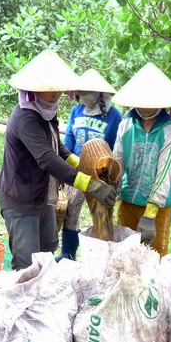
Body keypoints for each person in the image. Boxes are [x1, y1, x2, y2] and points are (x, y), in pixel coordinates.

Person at [0, 50, 118, 270]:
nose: (54, 94)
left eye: (57, 89)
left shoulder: (47, 112)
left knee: (46, 252)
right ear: (32, 89)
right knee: (27, 264)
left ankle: (44, 298)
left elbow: (58, 147)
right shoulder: (27, 116)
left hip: (42, 195)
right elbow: (47, 159)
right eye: (47, 90)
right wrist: (89, 185)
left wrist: (83, 165)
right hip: (21, 199)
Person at [112, 63, 171, 256]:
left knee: (153, 257)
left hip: (158, 206)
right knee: (124, 254)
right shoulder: (126, 124)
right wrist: (111, 188)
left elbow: (166, 170)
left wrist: (151, 212)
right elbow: (117, 162)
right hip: (128, 200)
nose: (145, 106)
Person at [58, 69, 122, 260]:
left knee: (101, 215)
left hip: (102, 174)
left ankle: (104, 256)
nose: (81, 96)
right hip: (78, 170)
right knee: (71, 211)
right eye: (80, 92)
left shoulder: (114, 116)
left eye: (86, 92)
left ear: (99, 94)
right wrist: (67, 168)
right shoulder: (76, 111)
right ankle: (68, 253)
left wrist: (111, 178)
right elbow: (69, 141)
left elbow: (115, 149)